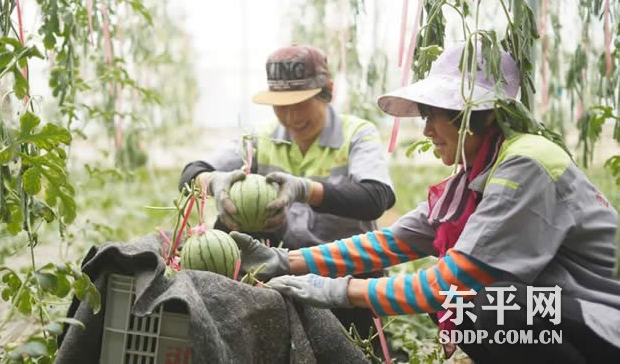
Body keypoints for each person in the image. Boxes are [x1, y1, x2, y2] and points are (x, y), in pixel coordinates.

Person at [229, 41, 620, 363]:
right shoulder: (476, 174)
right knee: (473, 306)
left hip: (601, 320)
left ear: (475, 115)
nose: (428, 129)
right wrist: (283, 262)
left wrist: (337, 291)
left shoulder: (525, 163)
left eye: (435, 115)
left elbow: (447, 283)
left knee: (482, 307)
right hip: (566, 313)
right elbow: (392, 242)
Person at [178, 45, 396, 347]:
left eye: (301, 103)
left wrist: (305, 190)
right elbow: (191, 173)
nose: (291, 116)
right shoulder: (259, 138)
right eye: (281, 105)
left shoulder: (357, 133)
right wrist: (213, 181)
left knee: (352, 348)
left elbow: (376, 198)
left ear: (327, 91)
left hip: (342, 272)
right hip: (277, 266)